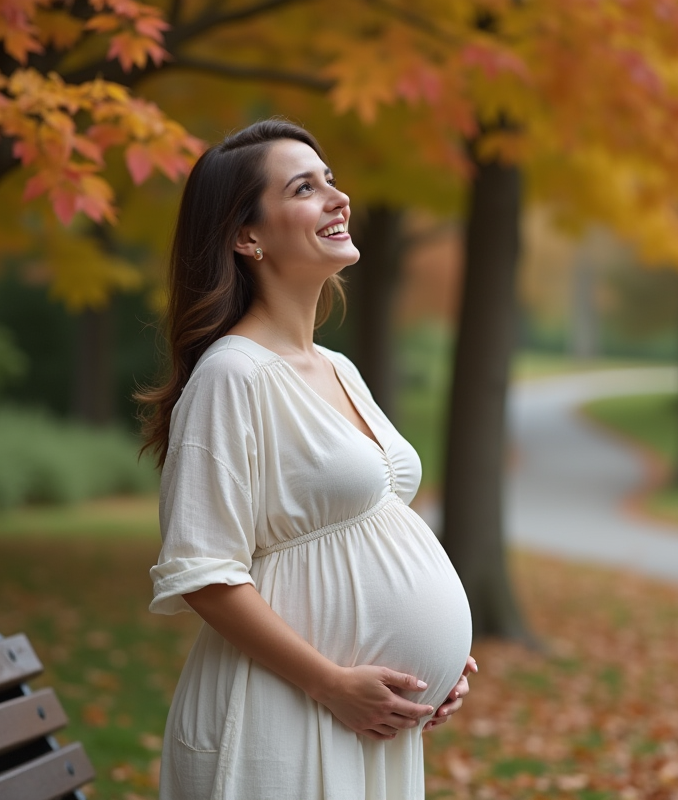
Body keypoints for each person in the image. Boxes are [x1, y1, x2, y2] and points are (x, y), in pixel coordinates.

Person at [137, 118, 477, 800]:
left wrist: (433, 675)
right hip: (281, 715)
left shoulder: (338, 368)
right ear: (247, 237)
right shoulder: (232, 375)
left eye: (331, 180)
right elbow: (204, 573)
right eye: (304, 188)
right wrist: (332, 684)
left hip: (363, 722)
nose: (337, 197)